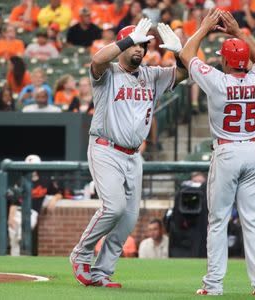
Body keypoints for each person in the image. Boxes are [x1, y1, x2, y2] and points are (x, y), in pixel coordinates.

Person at [69, 18, 188, 288]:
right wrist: (128, 38)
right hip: (106, 148)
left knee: (129, 218)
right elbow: (97, 59)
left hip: (133, 155)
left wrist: (178, 53)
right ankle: (81, 252)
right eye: (135, 45)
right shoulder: (107, 72)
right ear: (123, 45)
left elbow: (182, 74)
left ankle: (102, 272)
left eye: (143, 46)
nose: (140, 50)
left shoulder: (152, 75)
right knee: (114, 208)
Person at [179, 9, 255, 296]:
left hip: (228, 151)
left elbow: (186, 55)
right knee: (252, 222)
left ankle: (214, 285)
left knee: (218, 220)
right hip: (254, 150)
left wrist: (204, 28)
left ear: (223, 59)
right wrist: (238, 33)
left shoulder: (218, 81)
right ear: (243, 60)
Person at [7, 154, 63, 256]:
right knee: (14, 241)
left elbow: (59, 193)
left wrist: (54, 199)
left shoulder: (45, 180)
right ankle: (15, 262)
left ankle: (22, 236)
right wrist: (10, 217)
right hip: (18, 212)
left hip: (32, 212)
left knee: (22, 233)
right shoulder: (21, 181)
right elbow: (14, 201)